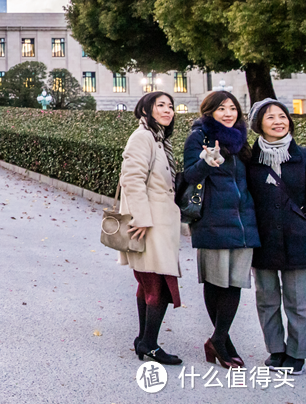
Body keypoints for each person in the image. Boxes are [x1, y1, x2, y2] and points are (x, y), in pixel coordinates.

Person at [183, 90, 259, 369]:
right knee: (216, 282)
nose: (228, 113)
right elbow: (189, 175)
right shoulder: (199, 137)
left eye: (232, 108)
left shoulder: (241, 140)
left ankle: (219, 338)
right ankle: (222, 342)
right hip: (212, 220)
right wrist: (206, 162)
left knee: (235, 282)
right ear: (209, 111)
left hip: (243, 221)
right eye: (221, 108)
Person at [118, 91, 183, 365]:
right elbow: (131, 179)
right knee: (160, 285)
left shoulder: (158, 139)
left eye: (170, 106)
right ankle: (149, 344)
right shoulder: (142, 137)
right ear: (146, 110)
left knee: (149, 283)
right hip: (149, 223)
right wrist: (141, 218)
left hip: (159, 222)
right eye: (160, 106)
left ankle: (144, 340)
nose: (167, 110)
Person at [246, 99, 306, 375]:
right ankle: (276, 350)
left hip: (299, 239)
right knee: (267, 300)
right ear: (259, 124)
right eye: (270, 118)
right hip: (263, 239)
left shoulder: (303, 156)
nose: (278, 121)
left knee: (298, 302)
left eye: (282, 116)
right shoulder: (250, 161)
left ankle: (297, 353)